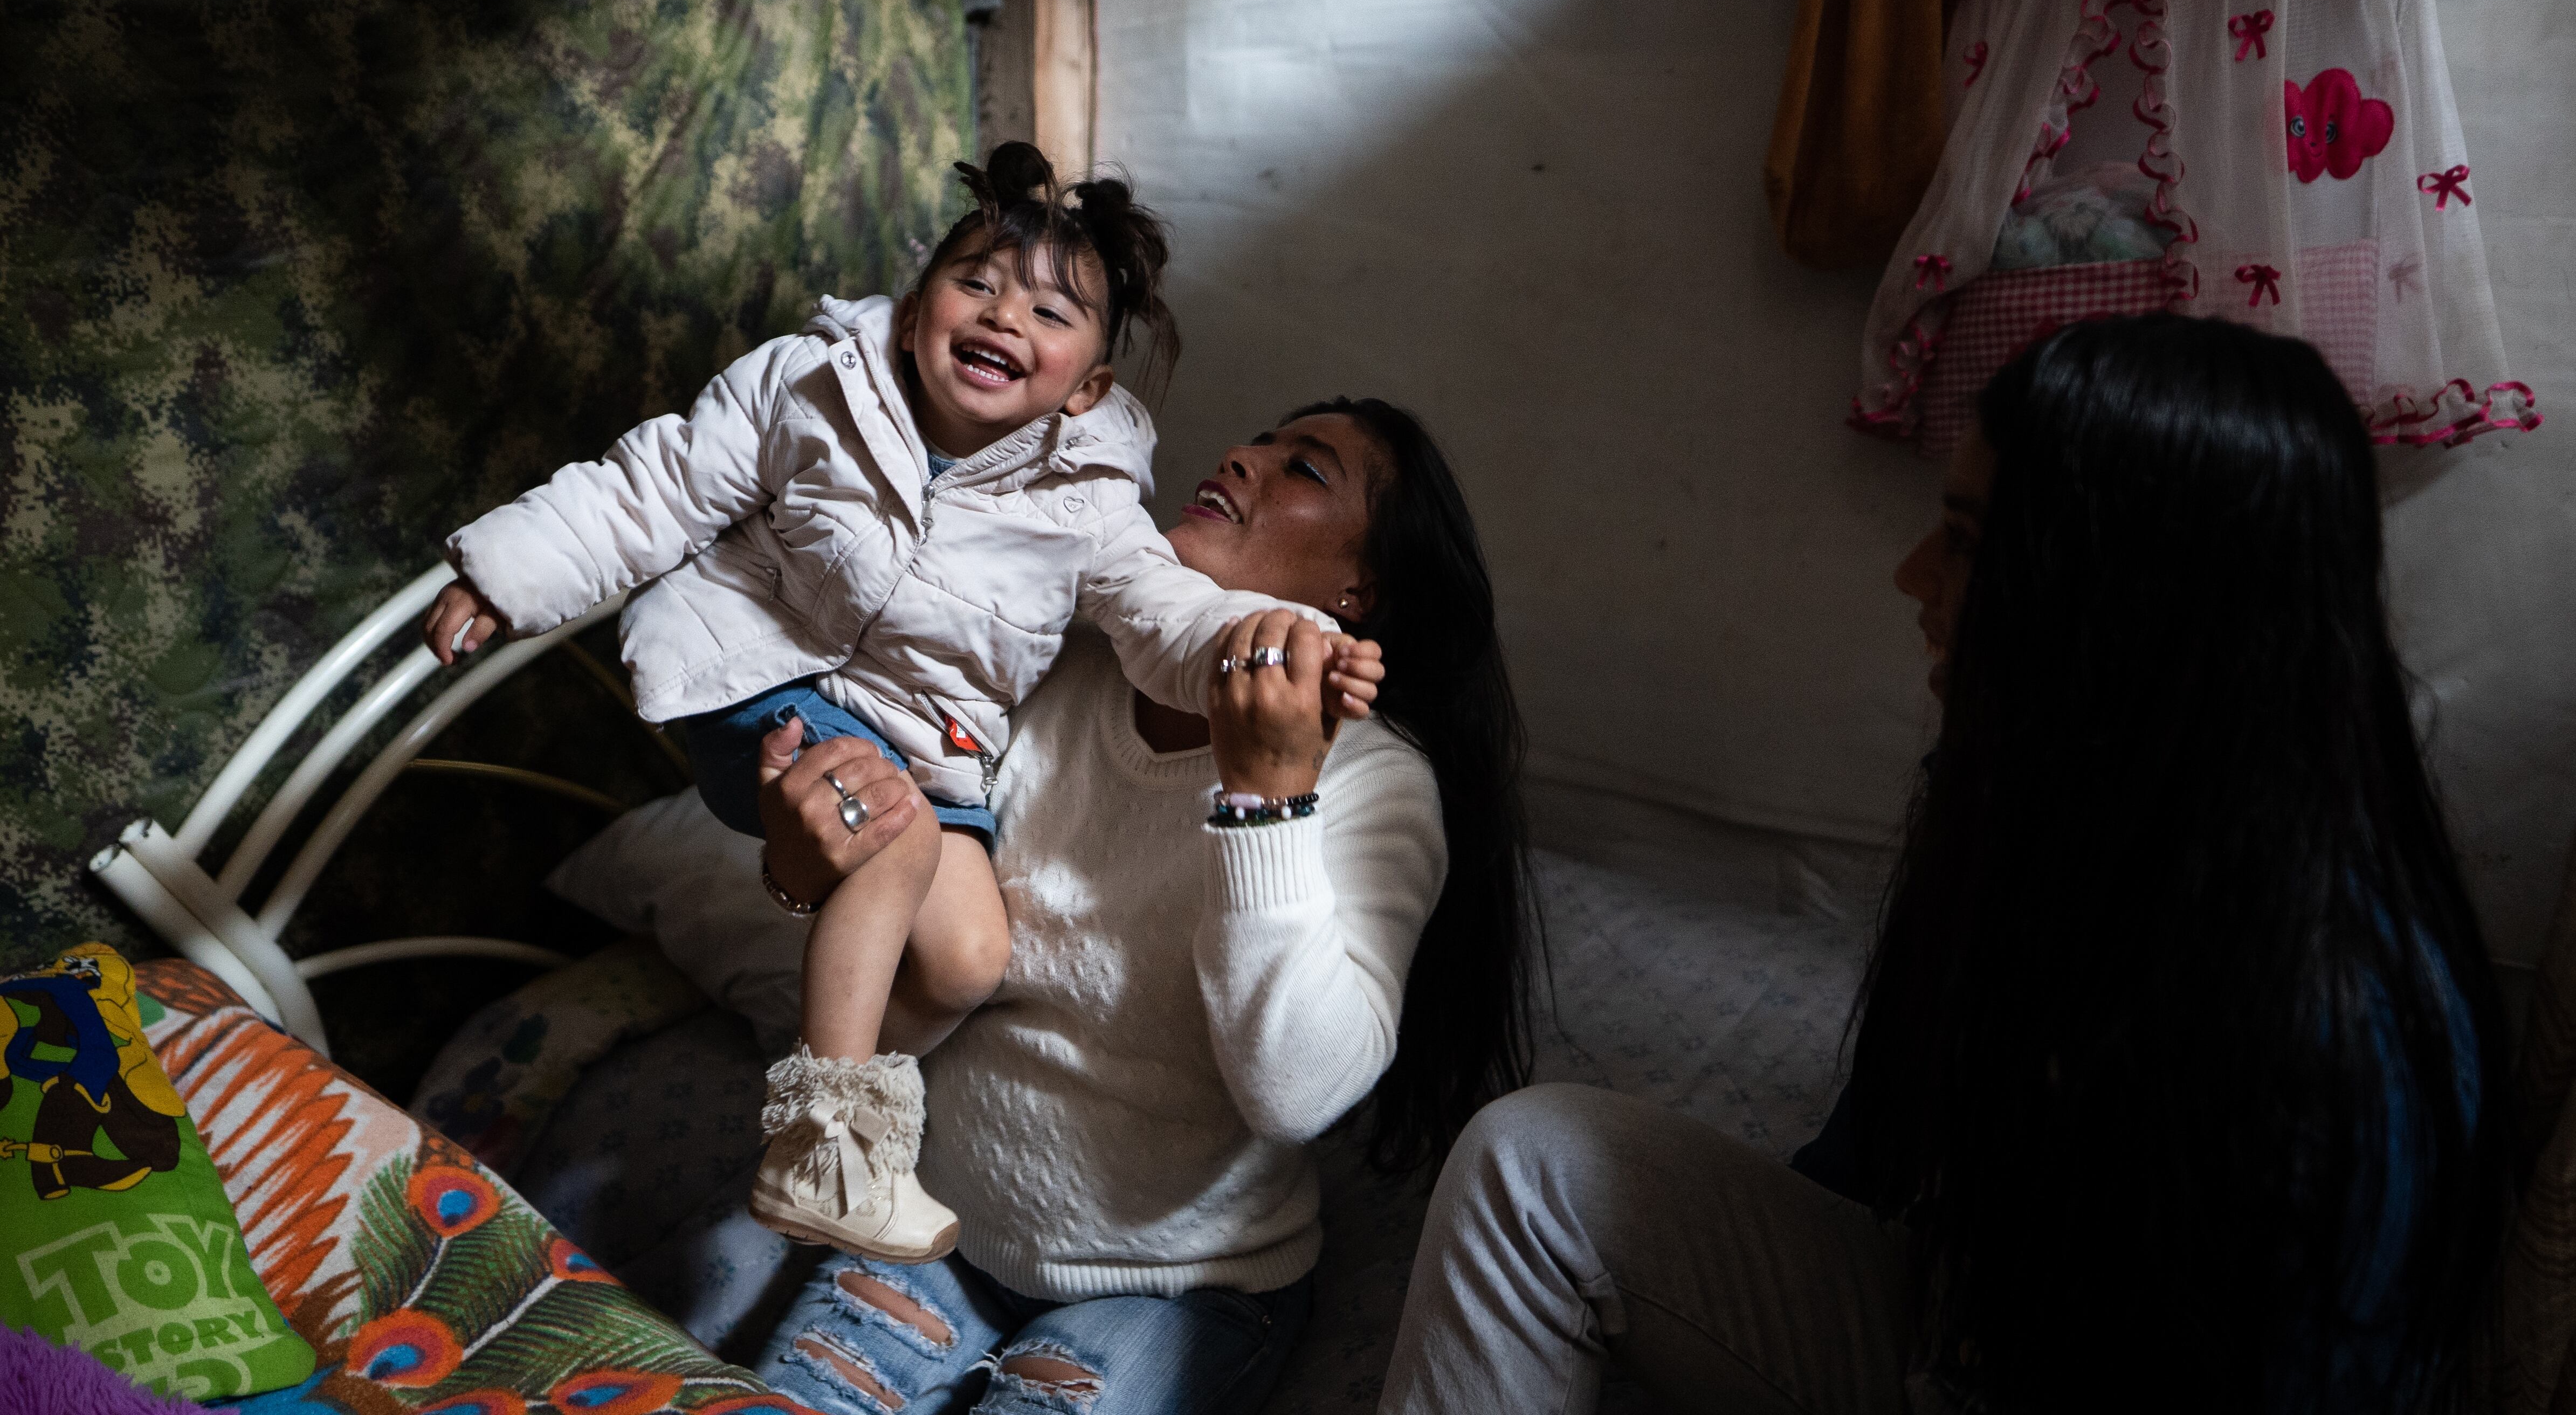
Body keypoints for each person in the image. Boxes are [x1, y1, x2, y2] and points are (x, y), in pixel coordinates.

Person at [1376, 315, 2512, 1413]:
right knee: (1533, 1164)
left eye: (1966, 541)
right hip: (1965, 1328)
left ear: (2120, 598)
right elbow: (1868, 1167)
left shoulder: (2333, 1032)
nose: (1913, 577)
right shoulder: (2020, 797)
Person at [416, 143, 1376, 1264]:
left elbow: (1166, 615)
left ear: (1090, 385)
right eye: (976, 283)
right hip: (759, 676)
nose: (1004, 316)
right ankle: (823, 1148)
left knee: (970, 954)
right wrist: (509, 575)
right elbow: (658, 484)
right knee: (898, 846)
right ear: (919, 303)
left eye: (1052, 312)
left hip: (921, 739)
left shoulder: (1092, 498)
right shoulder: (810, 384)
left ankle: (829, 1089)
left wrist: (1286, 644)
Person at [745, 398, 1536, 1415]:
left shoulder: (1371, 783)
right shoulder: (1048, 669)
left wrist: (1266, 799)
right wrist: (798, 870)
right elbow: (896, 958)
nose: (1244, 456)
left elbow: (1294, 1094)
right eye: (1258, 438)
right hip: (935, 1229)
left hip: (1183, 1288)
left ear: (1358, 588)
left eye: (1304, 469)